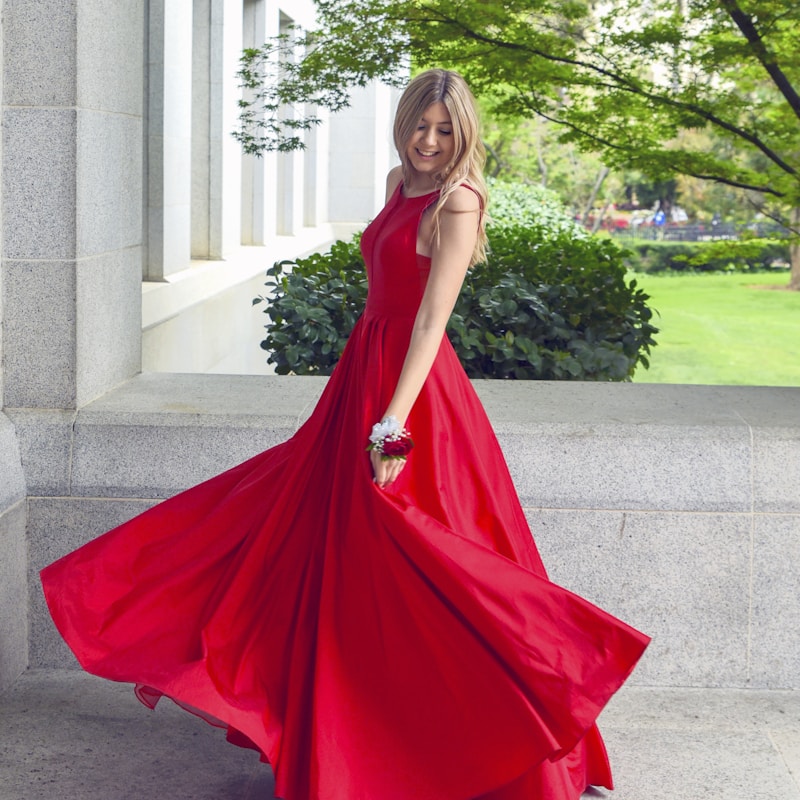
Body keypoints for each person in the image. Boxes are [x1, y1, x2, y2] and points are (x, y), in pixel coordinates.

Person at [41, 69, 649, 800]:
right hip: (362, 373)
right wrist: (361, 397)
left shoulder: (459, 201)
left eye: (444, 129)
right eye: (419, 125)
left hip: (410, 397)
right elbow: (383, 294)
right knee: (314, 544)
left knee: (434, 565)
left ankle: (518, 733)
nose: (429, 141)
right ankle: (348, 729)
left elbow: (431, 320)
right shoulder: (401, 180)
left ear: (464, 134)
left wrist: (392, 425)